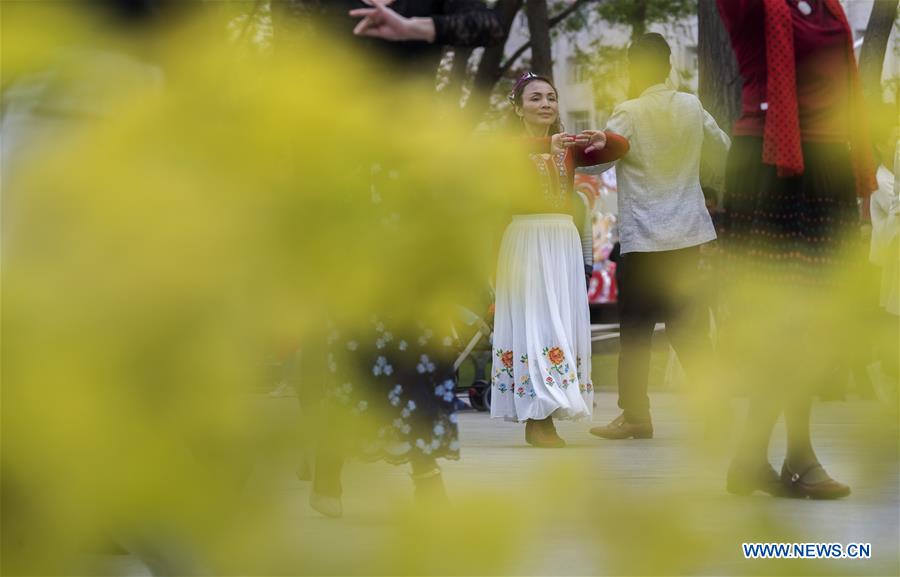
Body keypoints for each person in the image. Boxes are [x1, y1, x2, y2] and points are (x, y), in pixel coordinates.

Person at [272, 0, 504, 517]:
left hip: (412, 170)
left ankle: (425, 467)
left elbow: (488, 24)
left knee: (419, 321)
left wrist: (412, 28)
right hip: (340, 170)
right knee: (340, 321)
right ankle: (330, 459)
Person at [717, 0, 877, 499]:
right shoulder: (754, 7)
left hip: (829, 166)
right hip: (772, 162)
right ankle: (793, 458)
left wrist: (862, 188)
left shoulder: (828, 5)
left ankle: (761, 458)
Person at [587, 33, 730, 440]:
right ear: (669, 65)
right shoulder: (691, 105)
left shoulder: (628, 112)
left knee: (635, 332)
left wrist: (573, 149)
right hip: (687, 235)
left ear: (632, 69)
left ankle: (636, 416)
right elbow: (722, 148)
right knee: (689, 328)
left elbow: (598, 165)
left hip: (645, 239)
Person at [490, 72, 628, 447]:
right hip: (528, 239)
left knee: (559, 324)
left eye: (551, 97)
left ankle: (547, 412)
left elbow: (620, 147)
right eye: (535, 98)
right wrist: (544, 145)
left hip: (563, 240)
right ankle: (537, 418)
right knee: (536, 323)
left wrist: (603, 138)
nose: (546, 103)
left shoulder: (567, 148)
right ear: (517, 108)